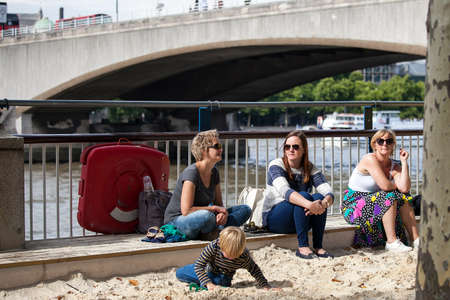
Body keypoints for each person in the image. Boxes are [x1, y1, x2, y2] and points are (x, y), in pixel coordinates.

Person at [164, 129, 251, 240]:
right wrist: (214, 208)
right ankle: (216, 231)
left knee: (245, 210)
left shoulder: (214, 172)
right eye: (217, 146)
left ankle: (213, 231)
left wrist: (222, 214)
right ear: (204, 150)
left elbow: (219, 205)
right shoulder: (191, 173)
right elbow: (186, 210)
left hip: (204, 219)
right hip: (178, 221)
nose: (221, 149)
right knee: (207, 216)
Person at [341, 129, 419, 252]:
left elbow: (404, 188)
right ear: (374, 144)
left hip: (377, 202)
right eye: (380, 141)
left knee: (405, 196)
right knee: (391, 195)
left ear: (393, 144)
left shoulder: (395, 165)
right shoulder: (369, 159)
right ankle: (391, 242)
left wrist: (404, 163)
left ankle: (416, 240)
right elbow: (385, 186)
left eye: (389, 141)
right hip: (354, 205)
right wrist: (396, 186)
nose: (384, 144)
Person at [262, 130, 334, 259]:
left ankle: (318, 246)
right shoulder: (276, 165)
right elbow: (285, 191)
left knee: (318, 197)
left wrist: (323, 203)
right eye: (287, 147)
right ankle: (303, 247)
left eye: (295, 147)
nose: (291, 150)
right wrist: (309, 205)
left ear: (304, 150)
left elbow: (328, 191)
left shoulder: (309, 167)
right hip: (275, 219)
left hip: (299, 219)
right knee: (305, 196)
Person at [176, 226, 277, 290]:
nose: (231, 258)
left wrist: (265, 285)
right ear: (221, 245)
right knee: (179, 273)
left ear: (241, 250)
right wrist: (208, 282)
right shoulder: (214, 246)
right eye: (227, 254)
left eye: (235, 255)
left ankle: (204, 283)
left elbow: (254, 269)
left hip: (224, 277)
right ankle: (204, 282)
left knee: (219, 284)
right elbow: (199, 265)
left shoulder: (243, 256)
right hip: (209, 270)